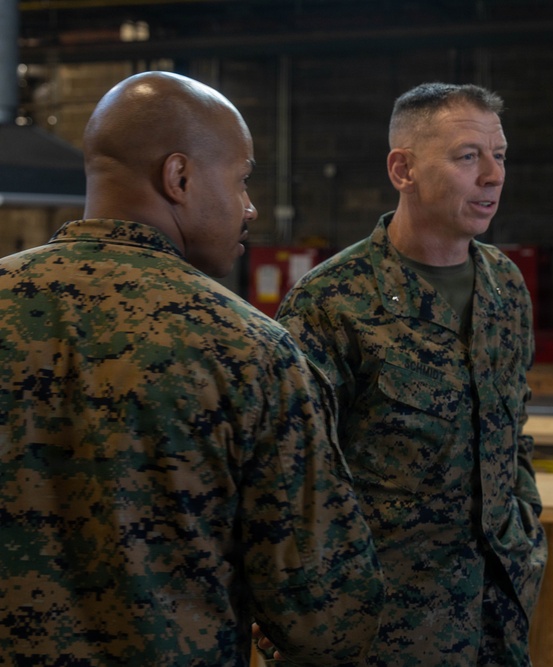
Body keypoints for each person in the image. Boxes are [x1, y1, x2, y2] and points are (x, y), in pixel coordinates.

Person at [0, 71, 384, 666]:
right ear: (179, 177)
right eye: (242, 179)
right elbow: (328, 618)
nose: (250, 206)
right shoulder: (249, 349)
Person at [276, 82, 547, 665]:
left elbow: (510, 432)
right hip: (384, 626)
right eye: (468, 156)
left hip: (497, 613)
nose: (493, 175)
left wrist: (525, 530)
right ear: (403, 169)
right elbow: (298, 480)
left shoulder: (506, 289)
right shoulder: (333, 301)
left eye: (500, 156)